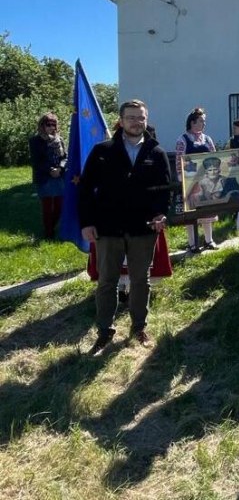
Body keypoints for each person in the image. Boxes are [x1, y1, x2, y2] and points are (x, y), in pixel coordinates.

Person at [78, 99, 170, 355]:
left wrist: (162, 213)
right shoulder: (102, 150)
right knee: (107, 281)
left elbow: (164, 192)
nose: (136, 122)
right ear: (121, 120)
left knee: (141, 280)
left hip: (143, 229)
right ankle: (104, 330)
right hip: (109, 229)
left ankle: (139, 327)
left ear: (146, 119)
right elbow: (85, 189)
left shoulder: (156, 152)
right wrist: (86, 222)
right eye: (130, 117)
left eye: (140, 117)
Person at [175, 107, 218, 252]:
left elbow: (214, 156)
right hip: (190, 182)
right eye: (201, 121)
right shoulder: (183, 140)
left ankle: (208, 240)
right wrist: (183, 180)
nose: (204, 124)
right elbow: (179, 160)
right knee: (191, 213)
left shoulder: (207, 139)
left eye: (204, 121)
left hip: (207, 181)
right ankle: (192, 244)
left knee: (207, 210)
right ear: (192, 122)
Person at [29, 112, 67, 239]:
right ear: (42, 125)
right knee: (47, 207)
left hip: (59, 176)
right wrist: (51, 170)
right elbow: (37, 160)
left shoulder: (59, 139)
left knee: (59, 207)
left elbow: (65, 158)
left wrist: (60, 168)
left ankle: (51, 227)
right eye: (48, 124)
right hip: (44, 177)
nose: (52, 127)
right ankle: (48, 233)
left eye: (54, 124)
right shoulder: (35, 140)